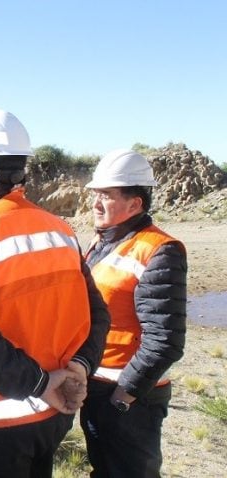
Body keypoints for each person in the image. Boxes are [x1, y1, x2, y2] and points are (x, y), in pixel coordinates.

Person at [0, 109, 111, 477]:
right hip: (49, 416)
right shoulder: (60, 230)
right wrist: (77, 369)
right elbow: (100, 315)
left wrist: (41, 384)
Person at [80, 149, 187, 477]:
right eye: (96, 194)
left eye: (107, 195)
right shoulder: (104, 243)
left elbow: (164, 340)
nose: (96, 203)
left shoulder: (159, 250)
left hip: (129, 397)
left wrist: (123, 397)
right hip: (97, 388)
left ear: (135, 204)